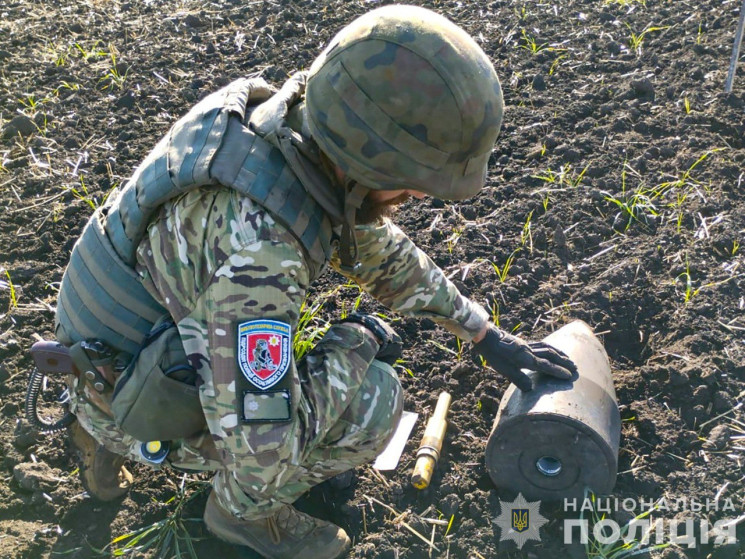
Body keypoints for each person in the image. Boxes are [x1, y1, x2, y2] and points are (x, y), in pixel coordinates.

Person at [54, 5, 576, 559]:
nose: (417, 196)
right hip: (125, 389)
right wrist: (355, 344)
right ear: (365, 164)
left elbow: (377, 250)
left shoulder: (282, 126)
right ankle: (239, 516)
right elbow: (263, 453)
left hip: (109, 347)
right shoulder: (263, 260)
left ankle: (100, 423)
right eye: (409, 182)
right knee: (375, 403)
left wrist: (480, 332)